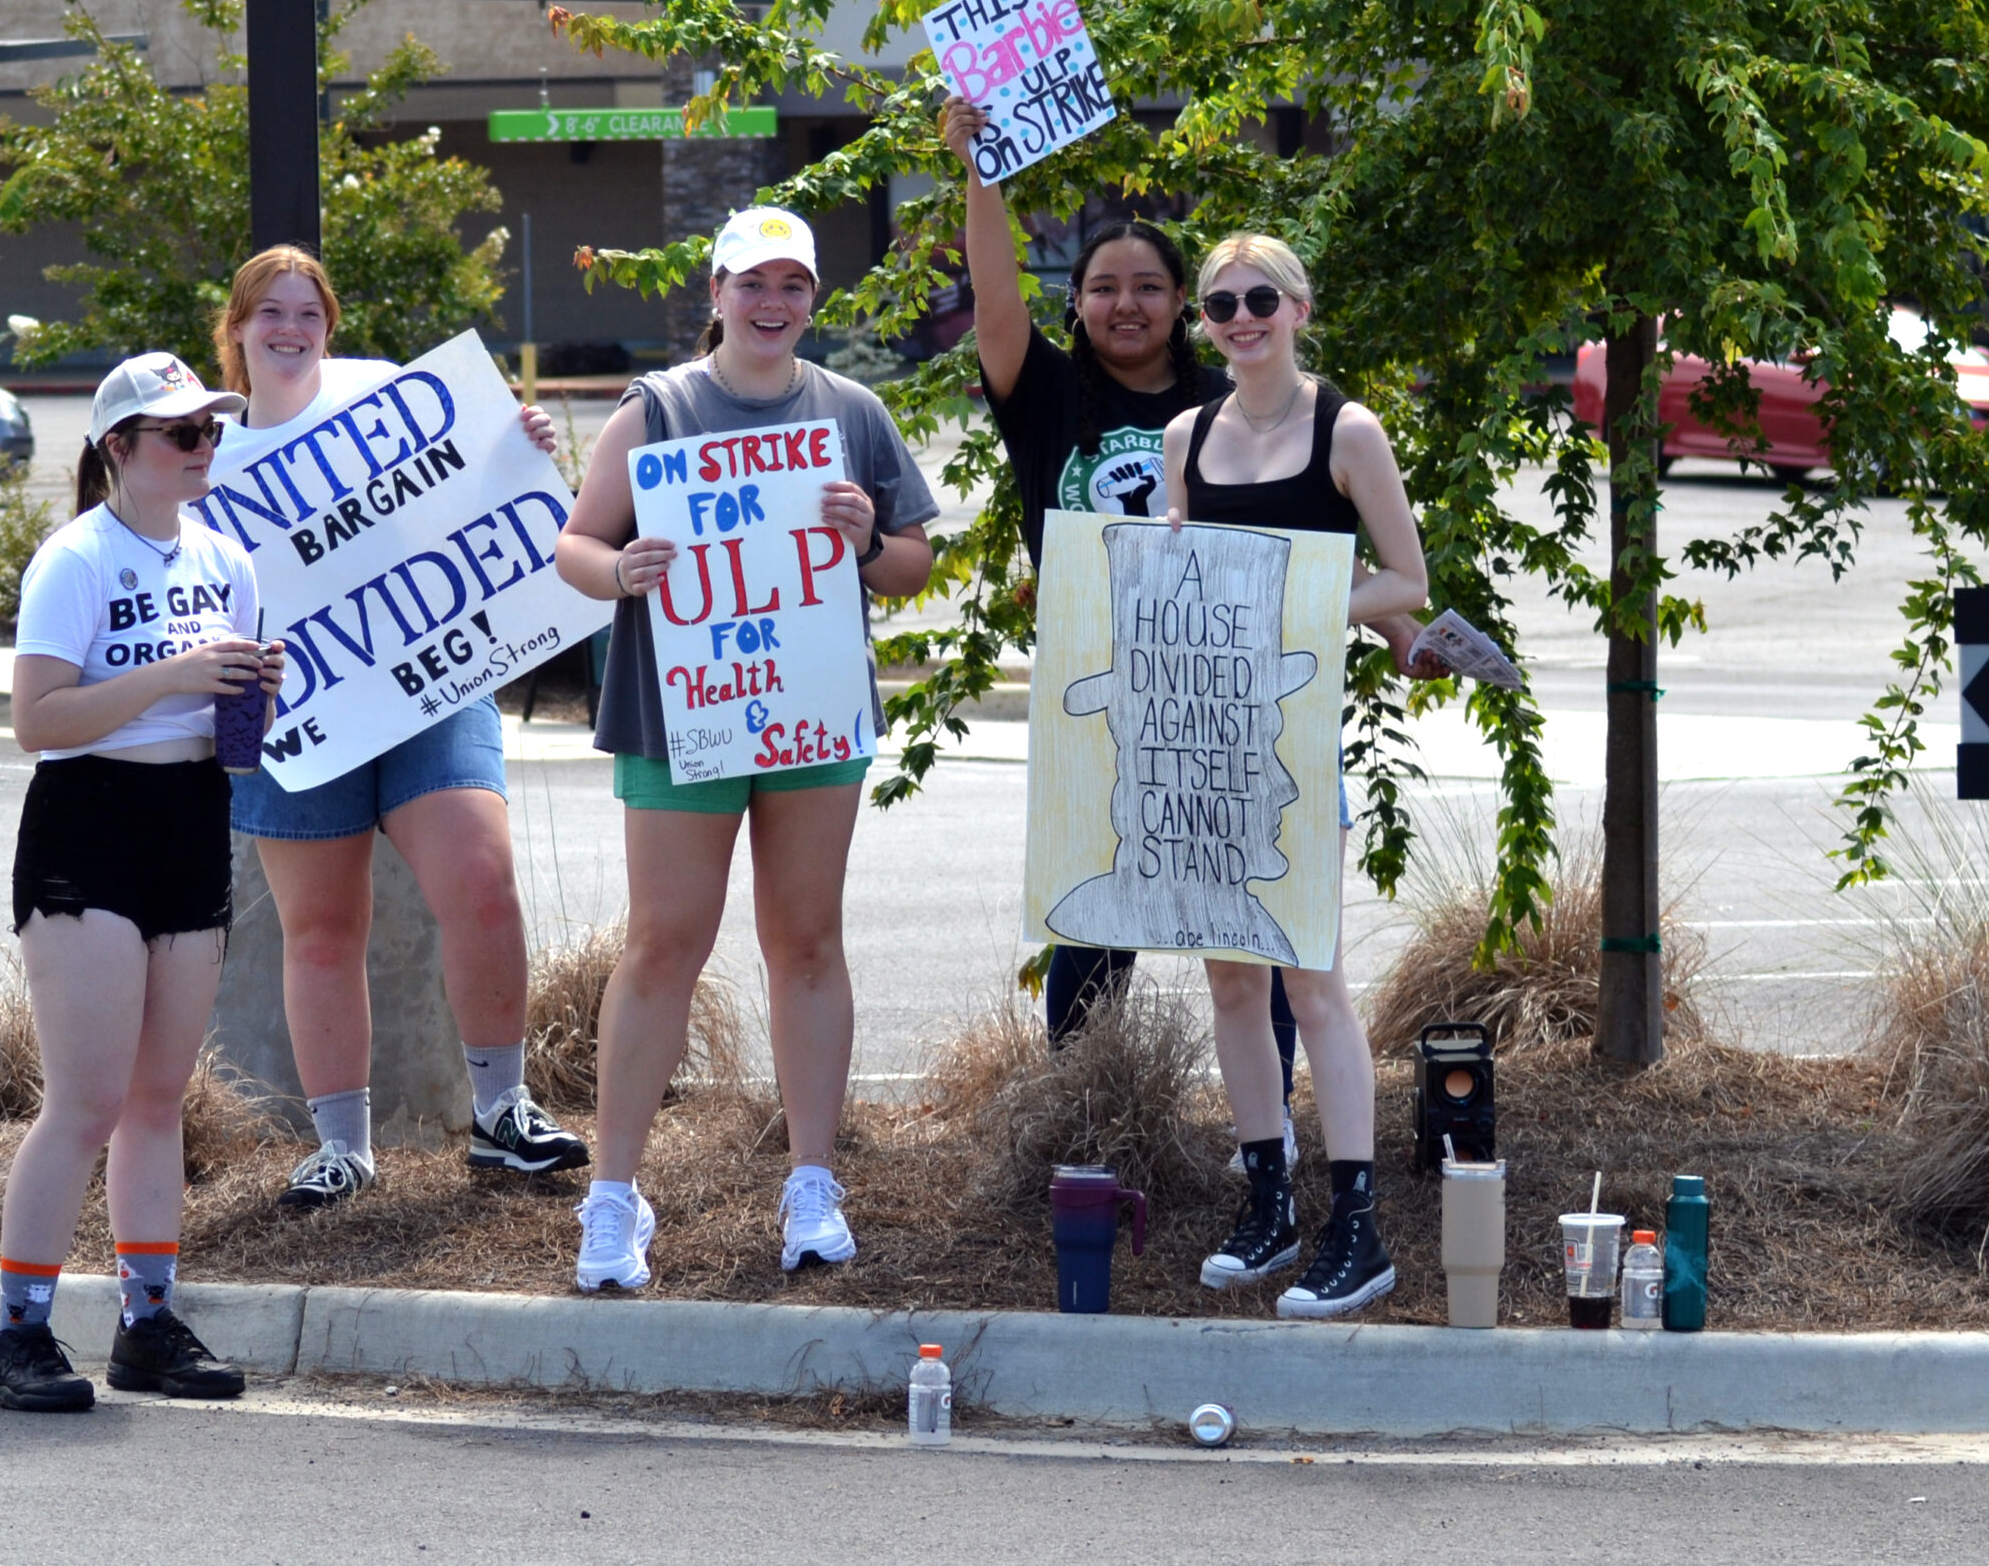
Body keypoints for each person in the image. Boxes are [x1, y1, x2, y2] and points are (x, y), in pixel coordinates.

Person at [554, 208, 939, 1290]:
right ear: (715, 292)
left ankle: (812, 1182)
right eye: (752, 284)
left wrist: (869, 536)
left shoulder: (851, 412)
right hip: (686, 708)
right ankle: (613, 1198)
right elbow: (577, 542)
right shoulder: (657, 410)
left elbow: (910, 564)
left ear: (812, 299)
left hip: (809, 704)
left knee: (806, 940)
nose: (773, 305)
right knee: (664, 943)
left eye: (793, 287)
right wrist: (616, 569)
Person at [209, 246, 589, 1212]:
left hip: (432, 684)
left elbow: (475, 480)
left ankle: (503, 1112)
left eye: (309, 313)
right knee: (322, 928)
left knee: (482, 880)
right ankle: (344, 1146)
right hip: (293, 708)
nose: (291, 330)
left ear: (329, 326)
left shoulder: (386, 396)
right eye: (271, 313)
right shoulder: (210, 452)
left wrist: (523, 443)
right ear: (239, 328)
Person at [940, 96, 1310, 1078]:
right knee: (1098, 913)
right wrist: (982, 170)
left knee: (1244, 911)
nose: (1125, 304)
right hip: (1093, 686)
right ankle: (1083, 1111)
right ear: (1076, 304)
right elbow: (992, 295)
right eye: (1104, 287)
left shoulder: (1227, 406)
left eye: (1149, 287)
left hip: (1219, 691)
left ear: (1183, 306)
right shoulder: (1044, 392)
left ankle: (1258, 1130)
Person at [0, 352, 285, 1411]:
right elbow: (37, 721)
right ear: (119, 449)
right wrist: (179, 674)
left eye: (211, 432)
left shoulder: (229, 561)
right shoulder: (76, 558)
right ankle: (13, 1334)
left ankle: (147, 1320)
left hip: (191, 816)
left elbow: (232, 745)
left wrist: (249, 700)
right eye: (180, 434)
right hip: (88, 823)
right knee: (89, 1099)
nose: (203, 449)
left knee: (159, 1098)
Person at [1162, 233, 1428, 1319]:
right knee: (1232, 981)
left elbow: (1404, 578)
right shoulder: (1188, 432)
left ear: (1300, 307)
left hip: (1297, 737)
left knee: (1310, 979)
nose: (1240, 316)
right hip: (1208, 735)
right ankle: (1267, 1200)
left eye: (1259, 296)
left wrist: (1298, 598)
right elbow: (1174, 573)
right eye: (1221, 302)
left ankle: (1355, 1226)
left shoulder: (1346, 429)